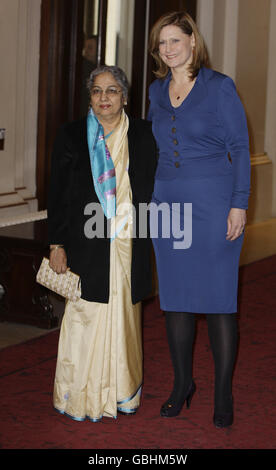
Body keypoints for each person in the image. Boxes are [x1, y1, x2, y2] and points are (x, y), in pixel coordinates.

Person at [148, 11, 251, 428]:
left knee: (219, 302)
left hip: (213, 204)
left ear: (193, 41)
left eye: (175, 40)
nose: (168, 49)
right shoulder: (155, 91)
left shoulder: (219, 87)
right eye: (162, 43)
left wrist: (239, 204)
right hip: (166, 206)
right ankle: (182, 384)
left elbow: (240, 149)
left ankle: (223, 391)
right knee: (176, 302)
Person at [48, 65, 157, 422]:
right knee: (84, 317)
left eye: (112, 91)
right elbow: (59, 194)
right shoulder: (71, 136)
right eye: (97, 91)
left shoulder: (142, 134)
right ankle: (78, 396)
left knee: (123, 319)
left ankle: (122, 392)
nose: (104, 98)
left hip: (128, 246)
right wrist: (56, 244)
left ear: (124, 96)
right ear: (90, 97)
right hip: (85, 245)